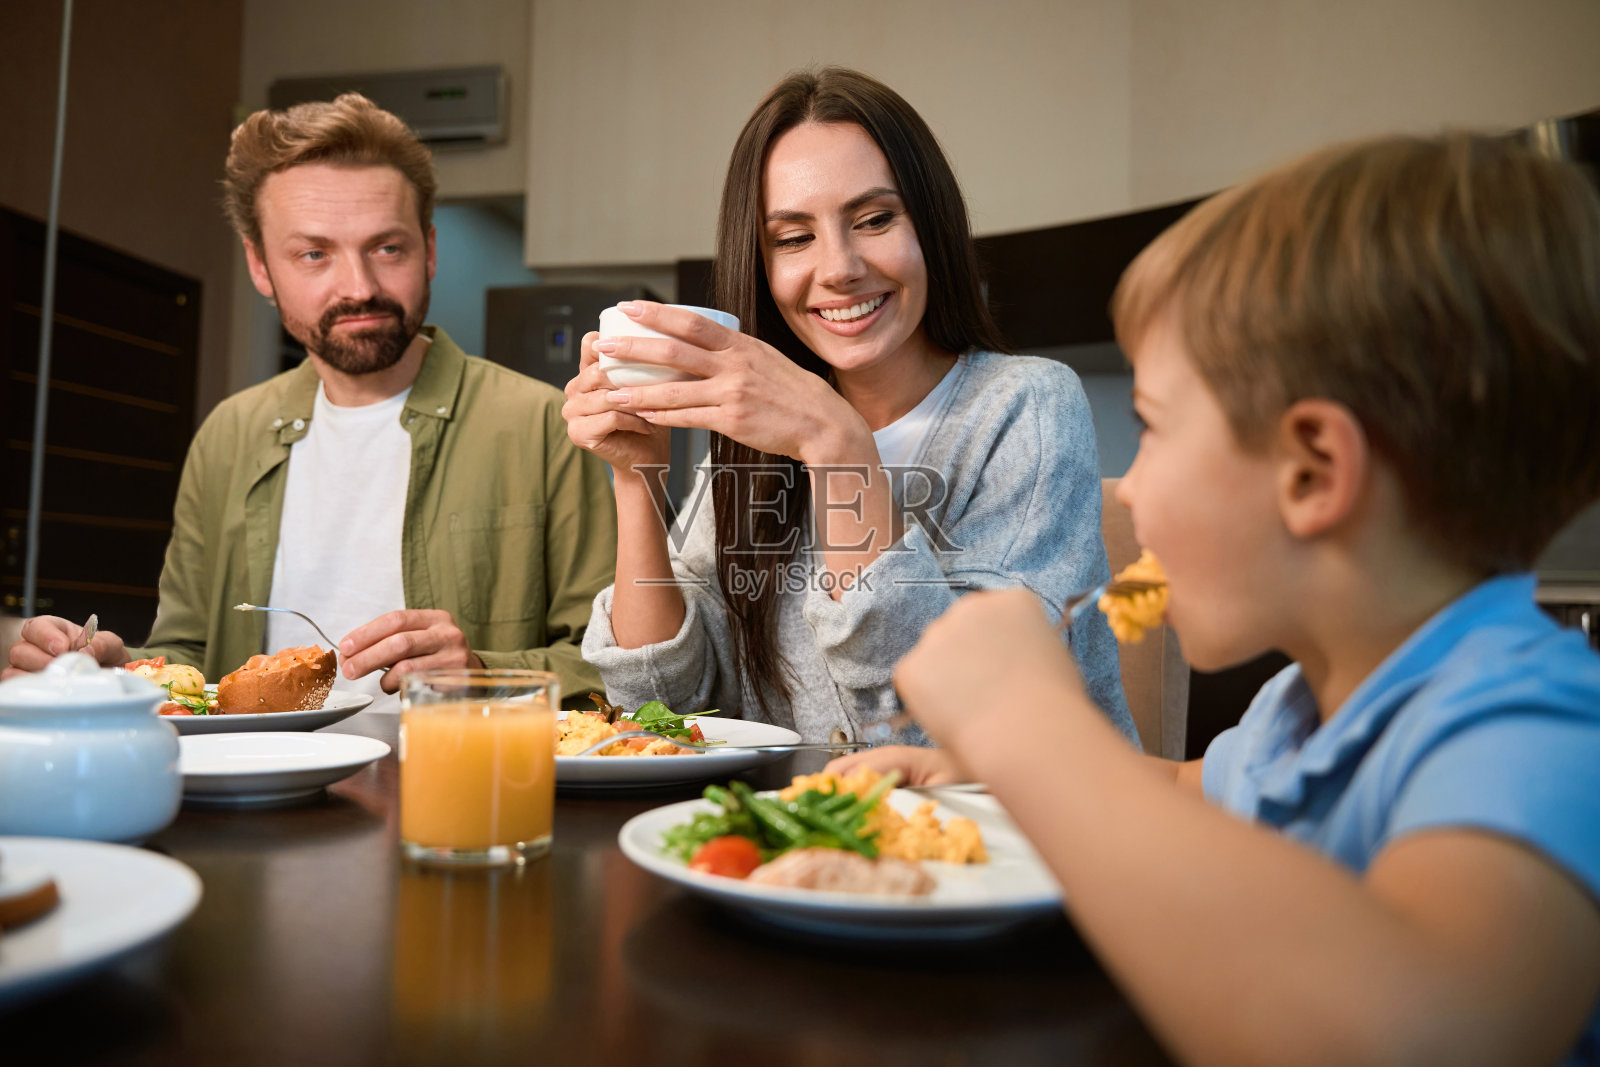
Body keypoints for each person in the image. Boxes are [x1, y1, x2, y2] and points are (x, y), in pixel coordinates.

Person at [837, 133, 1600, 1065]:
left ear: (1314, 472)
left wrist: (1023, 720)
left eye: (1152, 429)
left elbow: (1420, 1033)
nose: (1129, 488)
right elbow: (1183, 794)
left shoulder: (1531, 728)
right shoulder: (1302, 709)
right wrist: (969, 772)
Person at [562, 68, 1133, 744]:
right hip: (806, 844)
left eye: (874, 219)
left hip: (1002, 842)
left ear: (933, 226)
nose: (838, 267)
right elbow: (660, 711)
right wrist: (636, 477)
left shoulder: (1026, 405)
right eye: (794, 237)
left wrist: (838, 447)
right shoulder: (752, 441)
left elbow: (955, 728)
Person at [5, 93, 617, 710]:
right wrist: (117, 673)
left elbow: (622, 667)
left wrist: (484, 670)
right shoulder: (229, 434)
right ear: (261, 267)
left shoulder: (545, 423)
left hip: (458, 789)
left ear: (429, 251)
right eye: (314, 254)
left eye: (388, 248)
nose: (359, 287)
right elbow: (191, 659)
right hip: (251, 791)